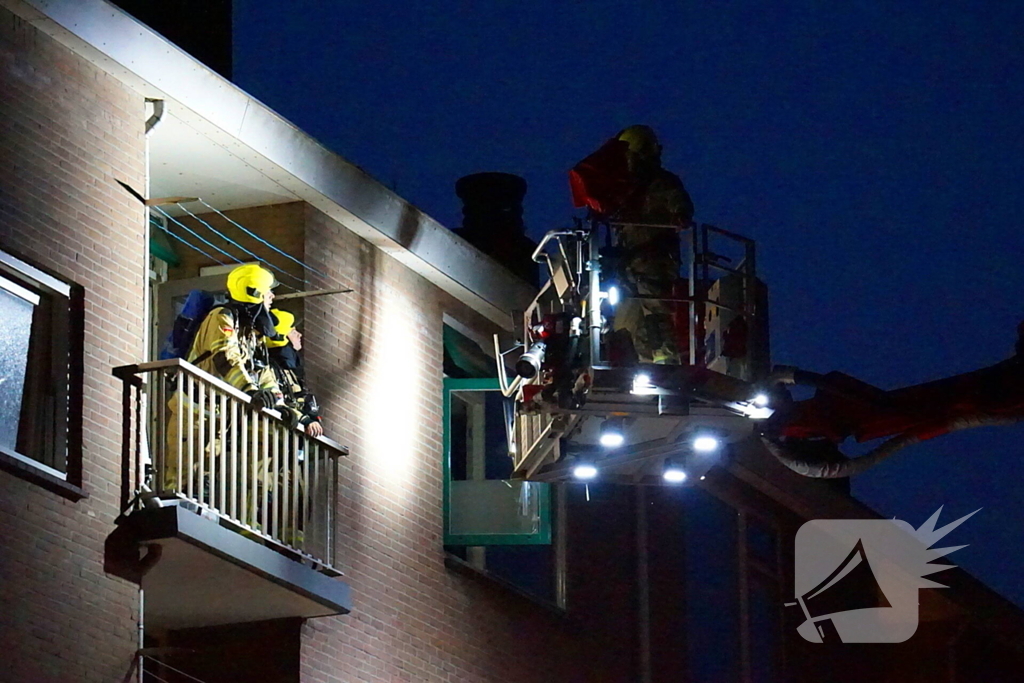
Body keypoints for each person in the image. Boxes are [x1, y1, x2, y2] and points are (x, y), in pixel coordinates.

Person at [570, 125, 694, 364]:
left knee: (655, 310)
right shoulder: (626, 188)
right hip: (630, 259)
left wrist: (680, 215)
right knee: (631, 315)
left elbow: (680, 204)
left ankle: (666, 363)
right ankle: (642, 362)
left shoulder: (662, 182)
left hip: (655, 257)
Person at [163, 264, 291, 490]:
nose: (272, 296)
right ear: (255, 292)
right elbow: (225, 357)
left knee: (203, 479)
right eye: (268, 291)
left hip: (219, 416)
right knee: (182, 474)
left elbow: (262, 371)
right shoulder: (221, 317)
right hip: (193, 410)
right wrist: (250, 391)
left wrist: (279, 403)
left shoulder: (250, 331)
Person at [267, 309, 324, 438]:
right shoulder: (269, 368)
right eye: (293, 331)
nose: (299, 335)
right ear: (281, 338)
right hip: (274, 437)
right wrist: (304, 420)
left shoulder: (289, 372)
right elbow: (277, 401)